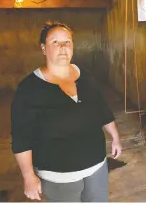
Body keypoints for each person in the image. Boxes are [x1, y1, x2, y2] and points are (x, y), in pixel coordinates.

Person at [10, 21, 122, 202]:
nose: (62, 47)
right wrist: (28, 176)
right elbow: (21, 137)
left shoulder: (84, 75)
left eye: (67, 41)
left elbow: (101, 109)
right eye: (55, 42)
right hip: (58, 176)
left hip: (97, 166)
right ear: (44, 48)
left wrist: (115, 137)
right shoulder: (29, 88)